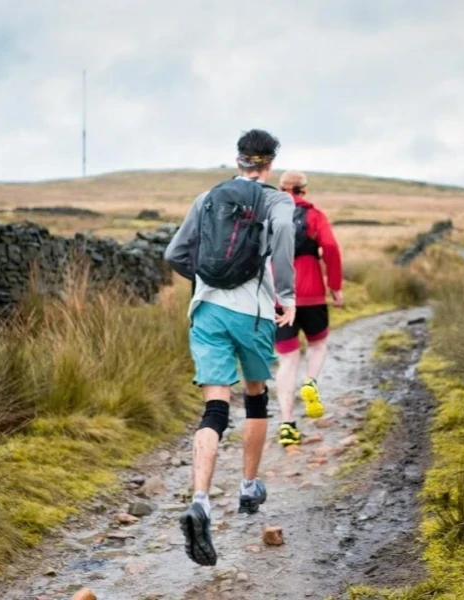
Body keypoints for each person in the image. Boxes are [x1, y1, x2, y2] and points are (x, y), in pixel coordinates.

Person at [164, 129, 296, 567]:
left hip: (206, 310)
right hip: (253, 313)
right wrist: (288, 295)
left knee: (214, 407)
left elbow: (175, 254)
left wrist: (207, 280)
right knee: (255, 394)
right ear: (269, 163)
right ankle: (247, 487)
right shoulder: (277, 200)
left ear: (238, 159)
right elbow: (280, 239)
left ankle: (200, 500)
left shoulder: (207, 197)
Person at [274, 170, 343, 446]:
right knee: (318, 345)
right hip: (312, 293)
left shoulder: (270, 217)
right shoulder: (315, 216)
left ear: (281, 189)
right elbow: (331, 248)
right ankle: (311, 381)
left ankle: (287, 425)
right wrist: (335, 286)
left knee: (287, 360)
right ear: (304, 190)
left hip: (279, 297)